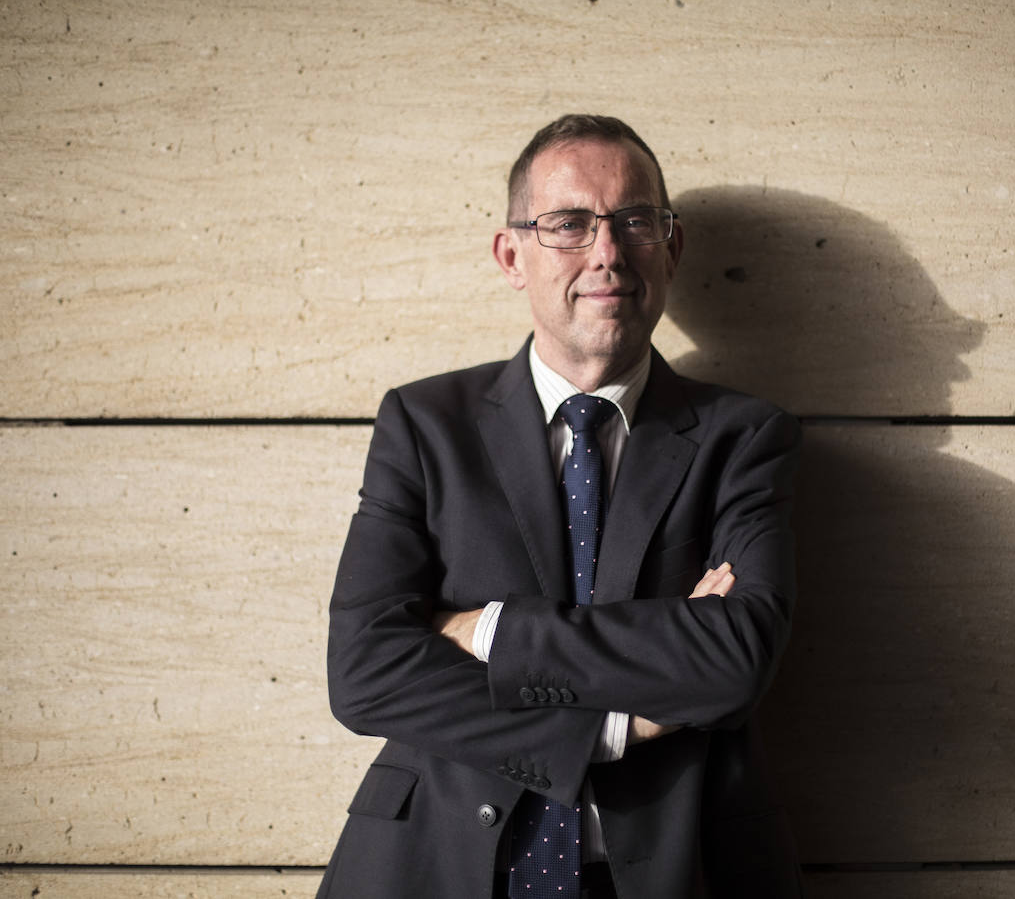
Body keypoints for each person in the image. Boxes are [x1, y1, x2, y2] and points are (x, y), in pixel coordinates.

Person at [317, 114, 803, 899]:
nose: (607, 252)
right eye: (569, 224)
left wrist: (490, 631)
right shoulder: (426, 425)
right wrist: (612, 727)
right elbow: (365, 672)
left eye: (635, 222)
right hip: (437, 867)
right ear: (512, 256)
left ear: (671, 248)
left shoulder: (743, 437)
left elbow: (736, 658)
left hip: (675, 871)